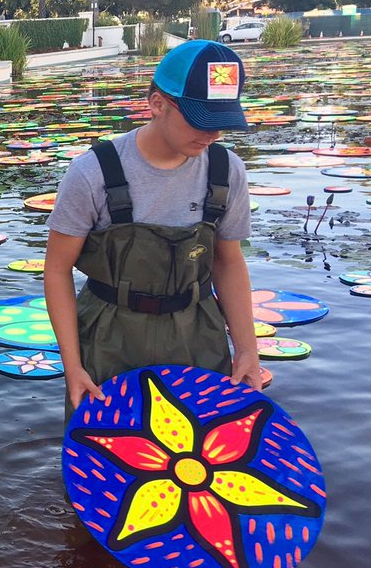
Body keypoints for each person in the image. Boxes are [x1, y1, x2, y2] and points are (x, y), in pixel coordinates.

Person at [43, 40, 261, 414]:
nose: (212, 135)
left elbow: (229, 262)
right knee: (107, 455)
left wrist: (246, 350)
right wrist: (73, 366)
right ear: (157, 103)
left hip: (198, 336)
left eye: (221, 123)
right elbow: (57, 269)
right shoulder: (93, 172)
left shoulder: (227, 172)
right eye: (200, 120)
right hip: (109, 338)